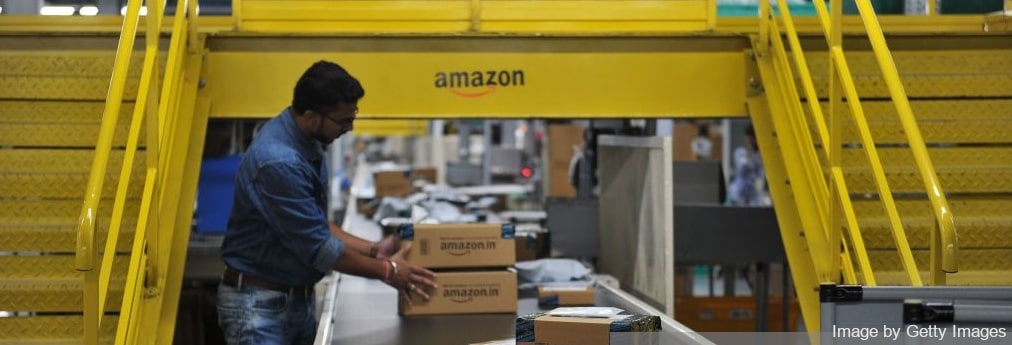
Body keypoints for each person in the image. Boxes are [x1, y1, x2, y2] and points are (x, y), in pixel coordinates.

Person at [217, 61, 437, 345]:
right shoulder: (279, 161)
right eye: (343, 121)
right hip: (260, 309)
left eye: (352, 116)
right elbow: (317, 248)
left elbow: (316, 224)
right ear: (310, 116)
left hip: (293, 298)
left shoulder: (306, 141)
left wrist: (373, 250)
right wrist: (389, 271)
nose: (350, 127)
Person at [729, 124, 769, 206]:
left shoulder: (761, 155)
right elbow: (742, 167)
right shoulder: (739, 152)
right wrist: (749, 151)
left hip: (755, 198)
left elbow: (761, 173)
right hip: (739, 197)